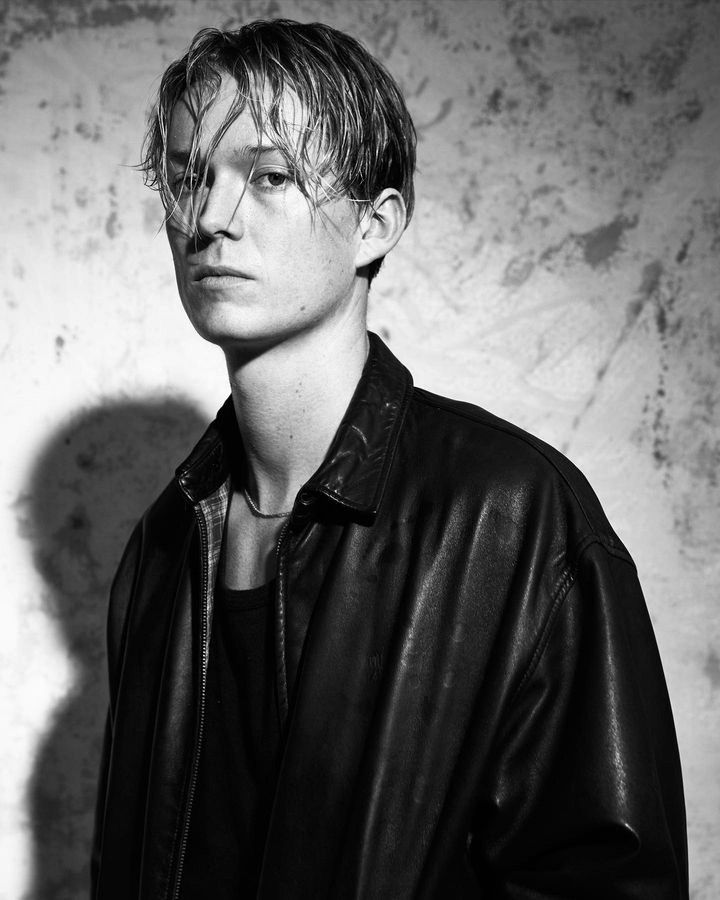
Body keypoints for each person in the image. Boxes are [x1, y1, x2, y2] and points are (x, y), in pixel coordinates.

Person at [91, 19, 688, 900]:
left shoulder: (514, 518)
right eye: (189, 177)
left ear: (376, 224)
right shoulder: (163, 548)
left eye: (268, 176)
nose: (209, 219)